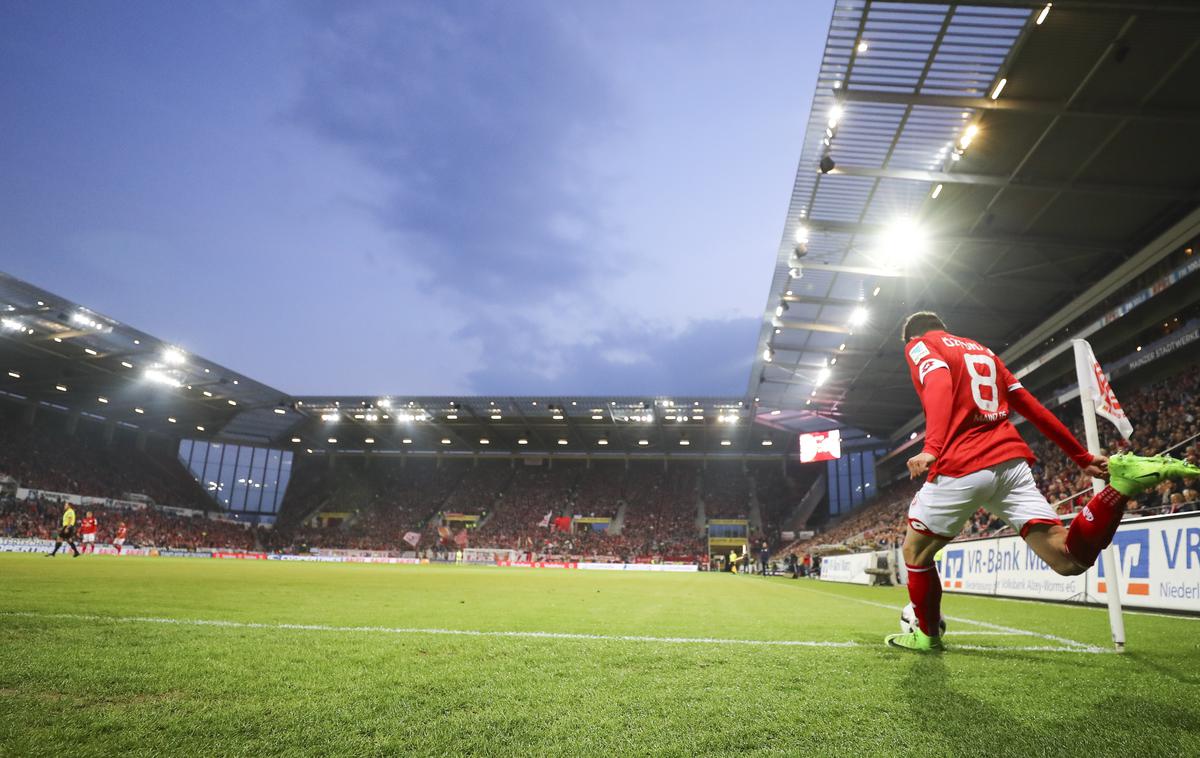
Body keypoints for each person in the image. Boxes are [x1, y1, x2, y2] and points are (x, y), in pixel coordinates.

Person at [886, 312, 1200, 652]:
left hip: (963, 463)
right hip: (1011, 464)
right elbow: (1032, 407)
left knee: (915, 552)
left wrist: (932, 448)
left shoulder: (920, 344)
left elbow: (939, 384)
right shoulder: (984, 353)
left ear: (910, 337)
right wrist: (1081, 457)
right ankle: (1120, 487)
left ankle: (926, 636)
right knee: (1068, 559)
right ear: (946, 328)